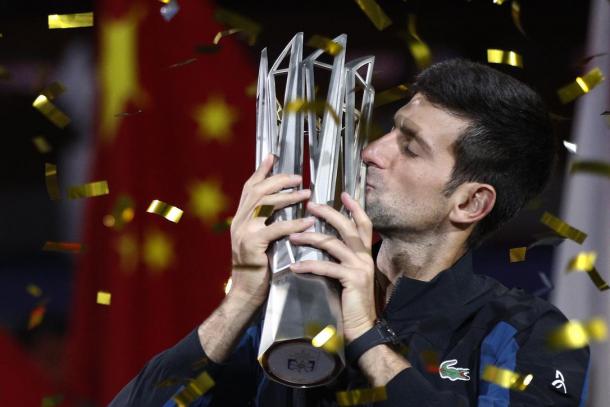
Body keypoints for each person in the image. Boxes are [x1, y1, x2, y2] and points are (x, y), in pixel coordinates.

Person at [110, 59, 590, 406]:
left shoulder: (528, 333)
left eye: (410, 147)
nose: (371, 152)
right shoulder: (292, 306)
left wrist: (364, 334)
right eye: (389, 130)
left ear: (469, 203)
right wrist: (240, 300)